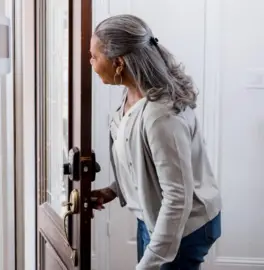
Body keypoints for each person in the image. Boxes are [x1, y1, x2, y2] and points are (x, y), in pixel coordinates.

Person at [89, 14, 222, 270]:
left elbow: (177, 196)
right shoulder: (131, 96)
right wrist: (113, 191)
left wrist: (148, 264)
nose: (91, 63)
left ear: (118, 62)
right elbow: (140, 160)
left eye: (95, 56)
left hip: (184, 224)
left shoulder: (160, 115)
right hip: (155, 216)